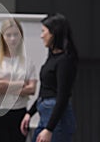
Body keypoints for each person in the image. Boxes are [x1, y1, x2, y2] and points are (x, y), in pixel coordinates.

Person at [20, 13, 78, 142]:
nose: (41, 36)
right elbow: (45, 89)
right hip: (45, 114)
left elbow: (62, 97)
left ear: (53, 33)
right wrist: (30, 112)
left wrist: (50, 129)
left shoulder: (64, 61)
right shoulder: (52, 57)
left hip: (56, 120)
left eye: (43, 32)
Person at [0, 18, 37, 142]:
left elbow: (32, 89)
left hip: (19, 114)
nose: (12, 39)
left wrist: (6, 86)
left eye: (16, 34)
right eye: (8, 35)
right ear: (2, 37)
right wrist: (21, 84)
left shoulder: (27, 62)